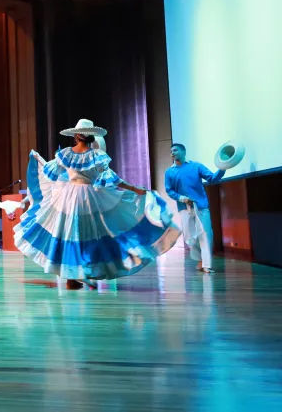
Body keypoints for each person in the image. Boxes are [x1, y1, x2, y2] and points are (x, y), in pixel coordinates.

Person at [14, 119, 180, 289]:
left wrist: (57, 182)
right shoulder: (95, 155)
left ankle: (72, 278)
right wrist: (134, 188)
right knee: (90, 234)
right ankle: (84, 273)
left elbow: (51, 173)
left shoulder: (65, 154)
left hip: (68, 197)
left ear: (76, 136)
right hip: (89, 197)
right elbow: (112, 179)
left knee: (70, 234)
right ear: (91, 136)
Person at [164, 142, 225, 274]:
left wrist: (223, 168)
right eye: (171, 151)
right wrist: (182, 198)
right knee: (189, 238)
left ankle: (207, 265)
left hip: (201, 206)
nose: (173, 153)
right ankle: (200, 259)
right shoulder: (169, 172)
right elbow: (169, 190)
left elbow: (212, 178)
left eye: (175, 150)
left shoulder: (196, 166)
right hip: (184, 207)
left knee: (205, 234)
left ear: (184, 152)